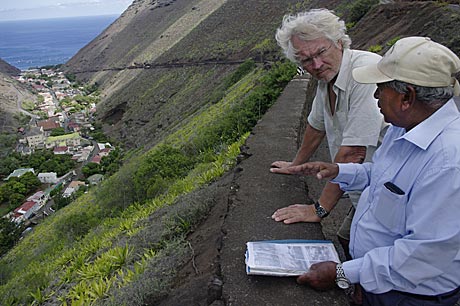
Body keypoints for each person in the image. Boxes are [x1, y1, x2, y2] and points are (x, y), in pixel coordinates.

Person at [275, 36, 460, 306]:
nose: (375, 96)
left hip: (409, 294)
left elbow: (423, 255)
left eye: (381, 89)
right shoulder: (403, 129)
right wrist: (339, 171)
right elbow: (385, 177)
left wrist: (341, 273)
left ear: (407, 96)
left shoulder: (448, 162)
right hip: (379, 280)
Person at [270, 8, 387, 259]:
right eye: (305, 60)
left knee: (375, 258)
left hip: (389, 195)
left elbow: (352, 153)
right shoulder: (328, 79)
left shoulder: (363, 73)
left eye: (321, 52)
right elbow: (316, 125)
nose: (316, 65)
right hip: (366, 190)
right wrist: (296, 164)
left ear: (339, 42)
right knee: (349, 240)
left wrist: (319, 209)